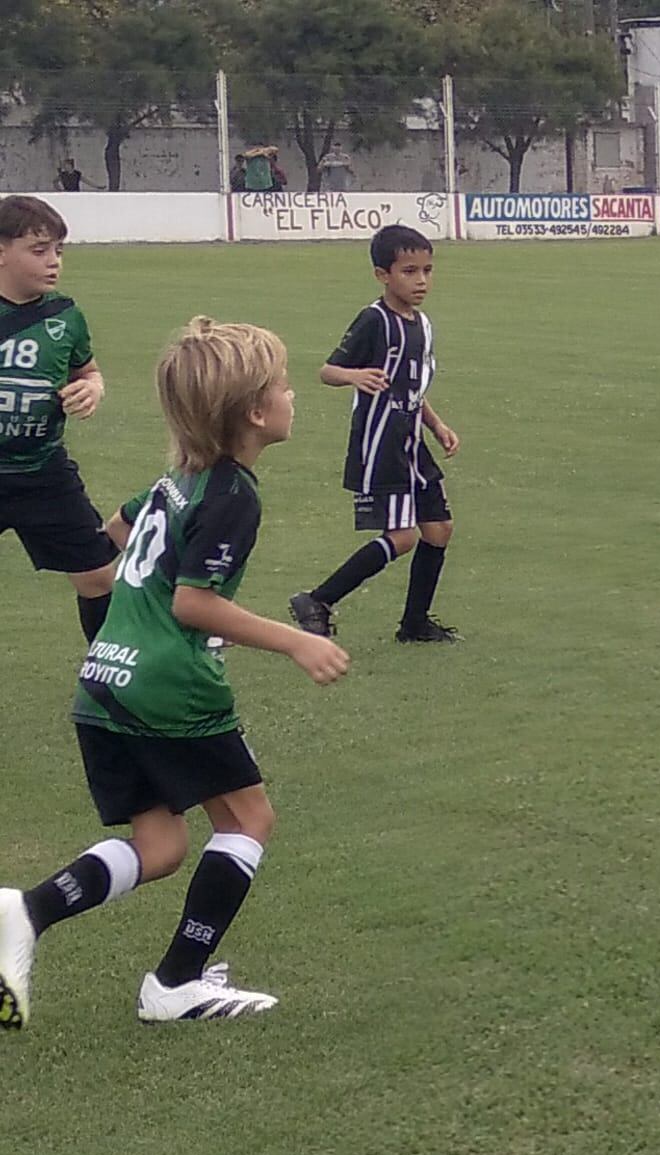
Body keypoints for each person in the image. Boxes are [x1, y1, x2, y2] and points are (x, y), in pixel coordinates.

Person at [0, 317, 351, 1030]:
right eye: (282, 385)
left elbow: (117, 533)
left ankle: (23, 912)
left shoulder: (177, 477)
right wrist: (293, 642)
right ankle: (176, 983)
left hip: (104, 677)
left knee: (160, 847)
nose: (292, 394)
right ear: (255, 412)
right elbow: (195, 604)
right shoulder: (233, 493)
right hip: (167, 686)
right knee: (249, 819)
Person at [289, 225, 461, 644]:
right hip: (381, 442)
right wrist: (354, 375)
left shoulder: (423, 325)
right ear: (383, 275)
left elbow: (412, 387)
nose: (421, 281)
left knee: (438, 529)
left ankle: (414, 624)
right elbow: (327, 371)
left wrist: (436, 425)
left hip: (411, 441)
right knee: (402, 537)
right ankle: (317, 599)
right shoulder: (373, 320)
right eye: (409, 271)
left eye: (427, 270)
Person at [0, 195, 115, 642]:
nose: (53, 263)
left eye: (58, 251)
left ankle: (107, 684)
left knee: (98, 577)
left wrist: (94, 387)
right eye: (39, 250)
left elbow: (87, 369)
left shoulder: (65, 315)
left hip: (43, 472)